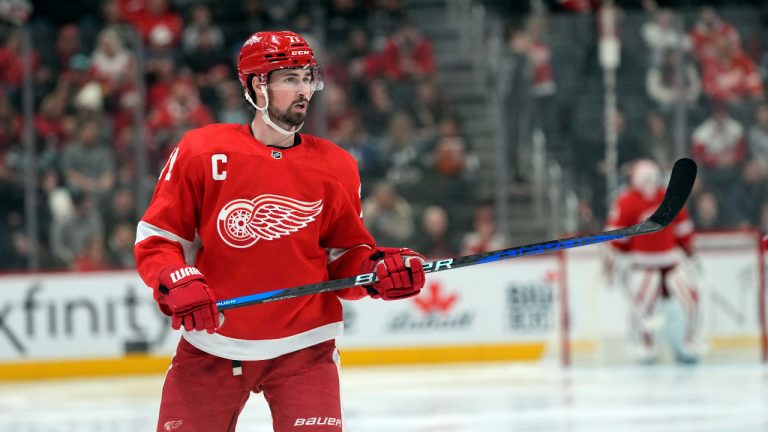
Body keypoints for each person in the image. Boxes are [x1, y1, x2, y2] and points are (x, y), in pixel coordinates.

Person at [133, 31, 427, 432]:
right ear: (257, 84)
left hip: (304, 348)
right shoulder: (202, 151)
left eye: (307, 78)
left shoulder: (336, 165)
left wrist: (377, 272)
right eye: (290, 78)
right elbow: (158, 238)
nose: (304, 89)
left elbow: (345, 259)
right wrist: (176, 279)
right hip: (212, 346)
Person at [604, 159, 701, 364]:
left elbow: (683, 229)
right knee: (642, 307)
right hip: (643, 265)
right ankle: (645, 344)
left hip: (670, 262)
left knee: (690, 301)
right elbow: (617, 237)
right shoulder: (626, 201)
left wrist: (690, 251)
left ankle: (688, 340)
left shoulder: (669, 197)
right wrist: (612, 257)